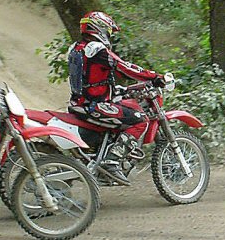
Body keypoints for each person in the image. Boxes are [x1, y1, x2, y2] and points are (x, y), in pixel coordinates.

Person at [67, 11, 164, 181]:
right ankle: (112, 161)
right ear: (99, 28)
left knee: (124, 109)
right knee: (140, 119)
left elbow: (92, 80)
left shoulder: (77, 48)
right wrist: (154, 77)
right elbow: (125, 67)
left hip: (80, 102)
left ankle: (103, 155)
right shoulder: (96, 50)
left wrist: (120, 90)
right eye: (108, 31)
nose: (109, 35)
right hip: (93, 105)